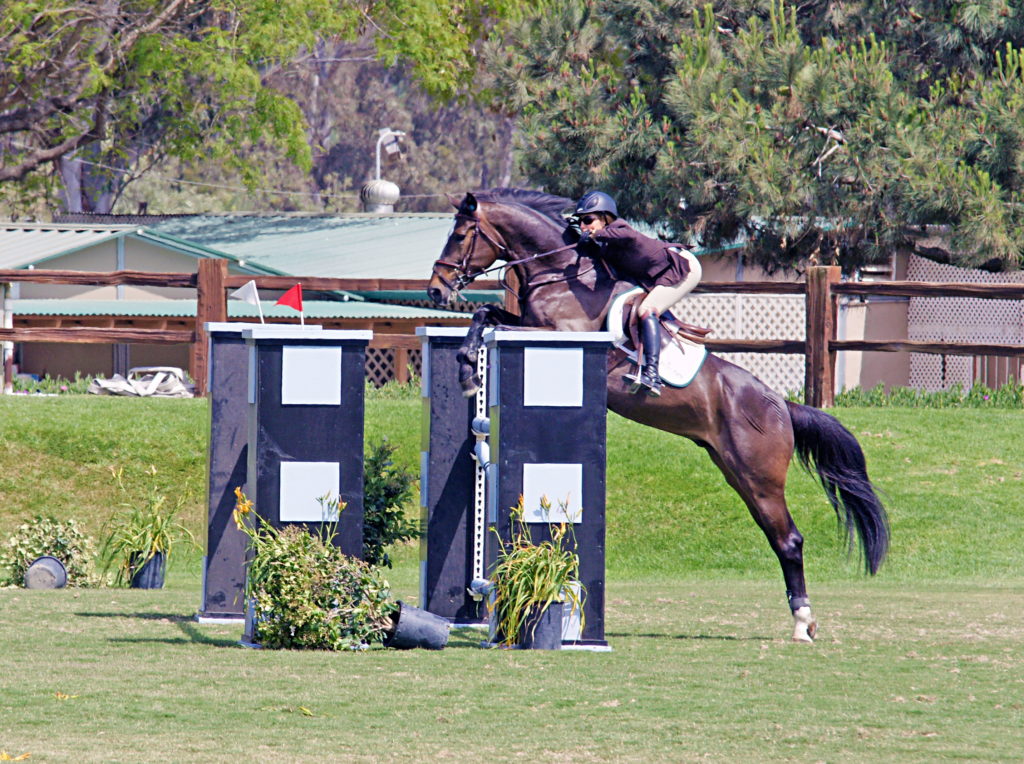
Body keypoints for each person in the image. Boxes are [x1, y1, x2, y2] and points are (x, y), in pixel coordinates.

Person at [568, 190, 701, 396]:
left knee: (648, 309)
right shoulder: (606, 243)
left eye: (588, 219)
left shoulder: (620, 228)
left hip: (682, 266)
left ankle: (652, 375)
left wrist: (594, 234)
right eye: (580, 222)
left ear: (605, 217)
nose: (584, 226)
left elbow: (624, 235)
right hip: (656, 276)